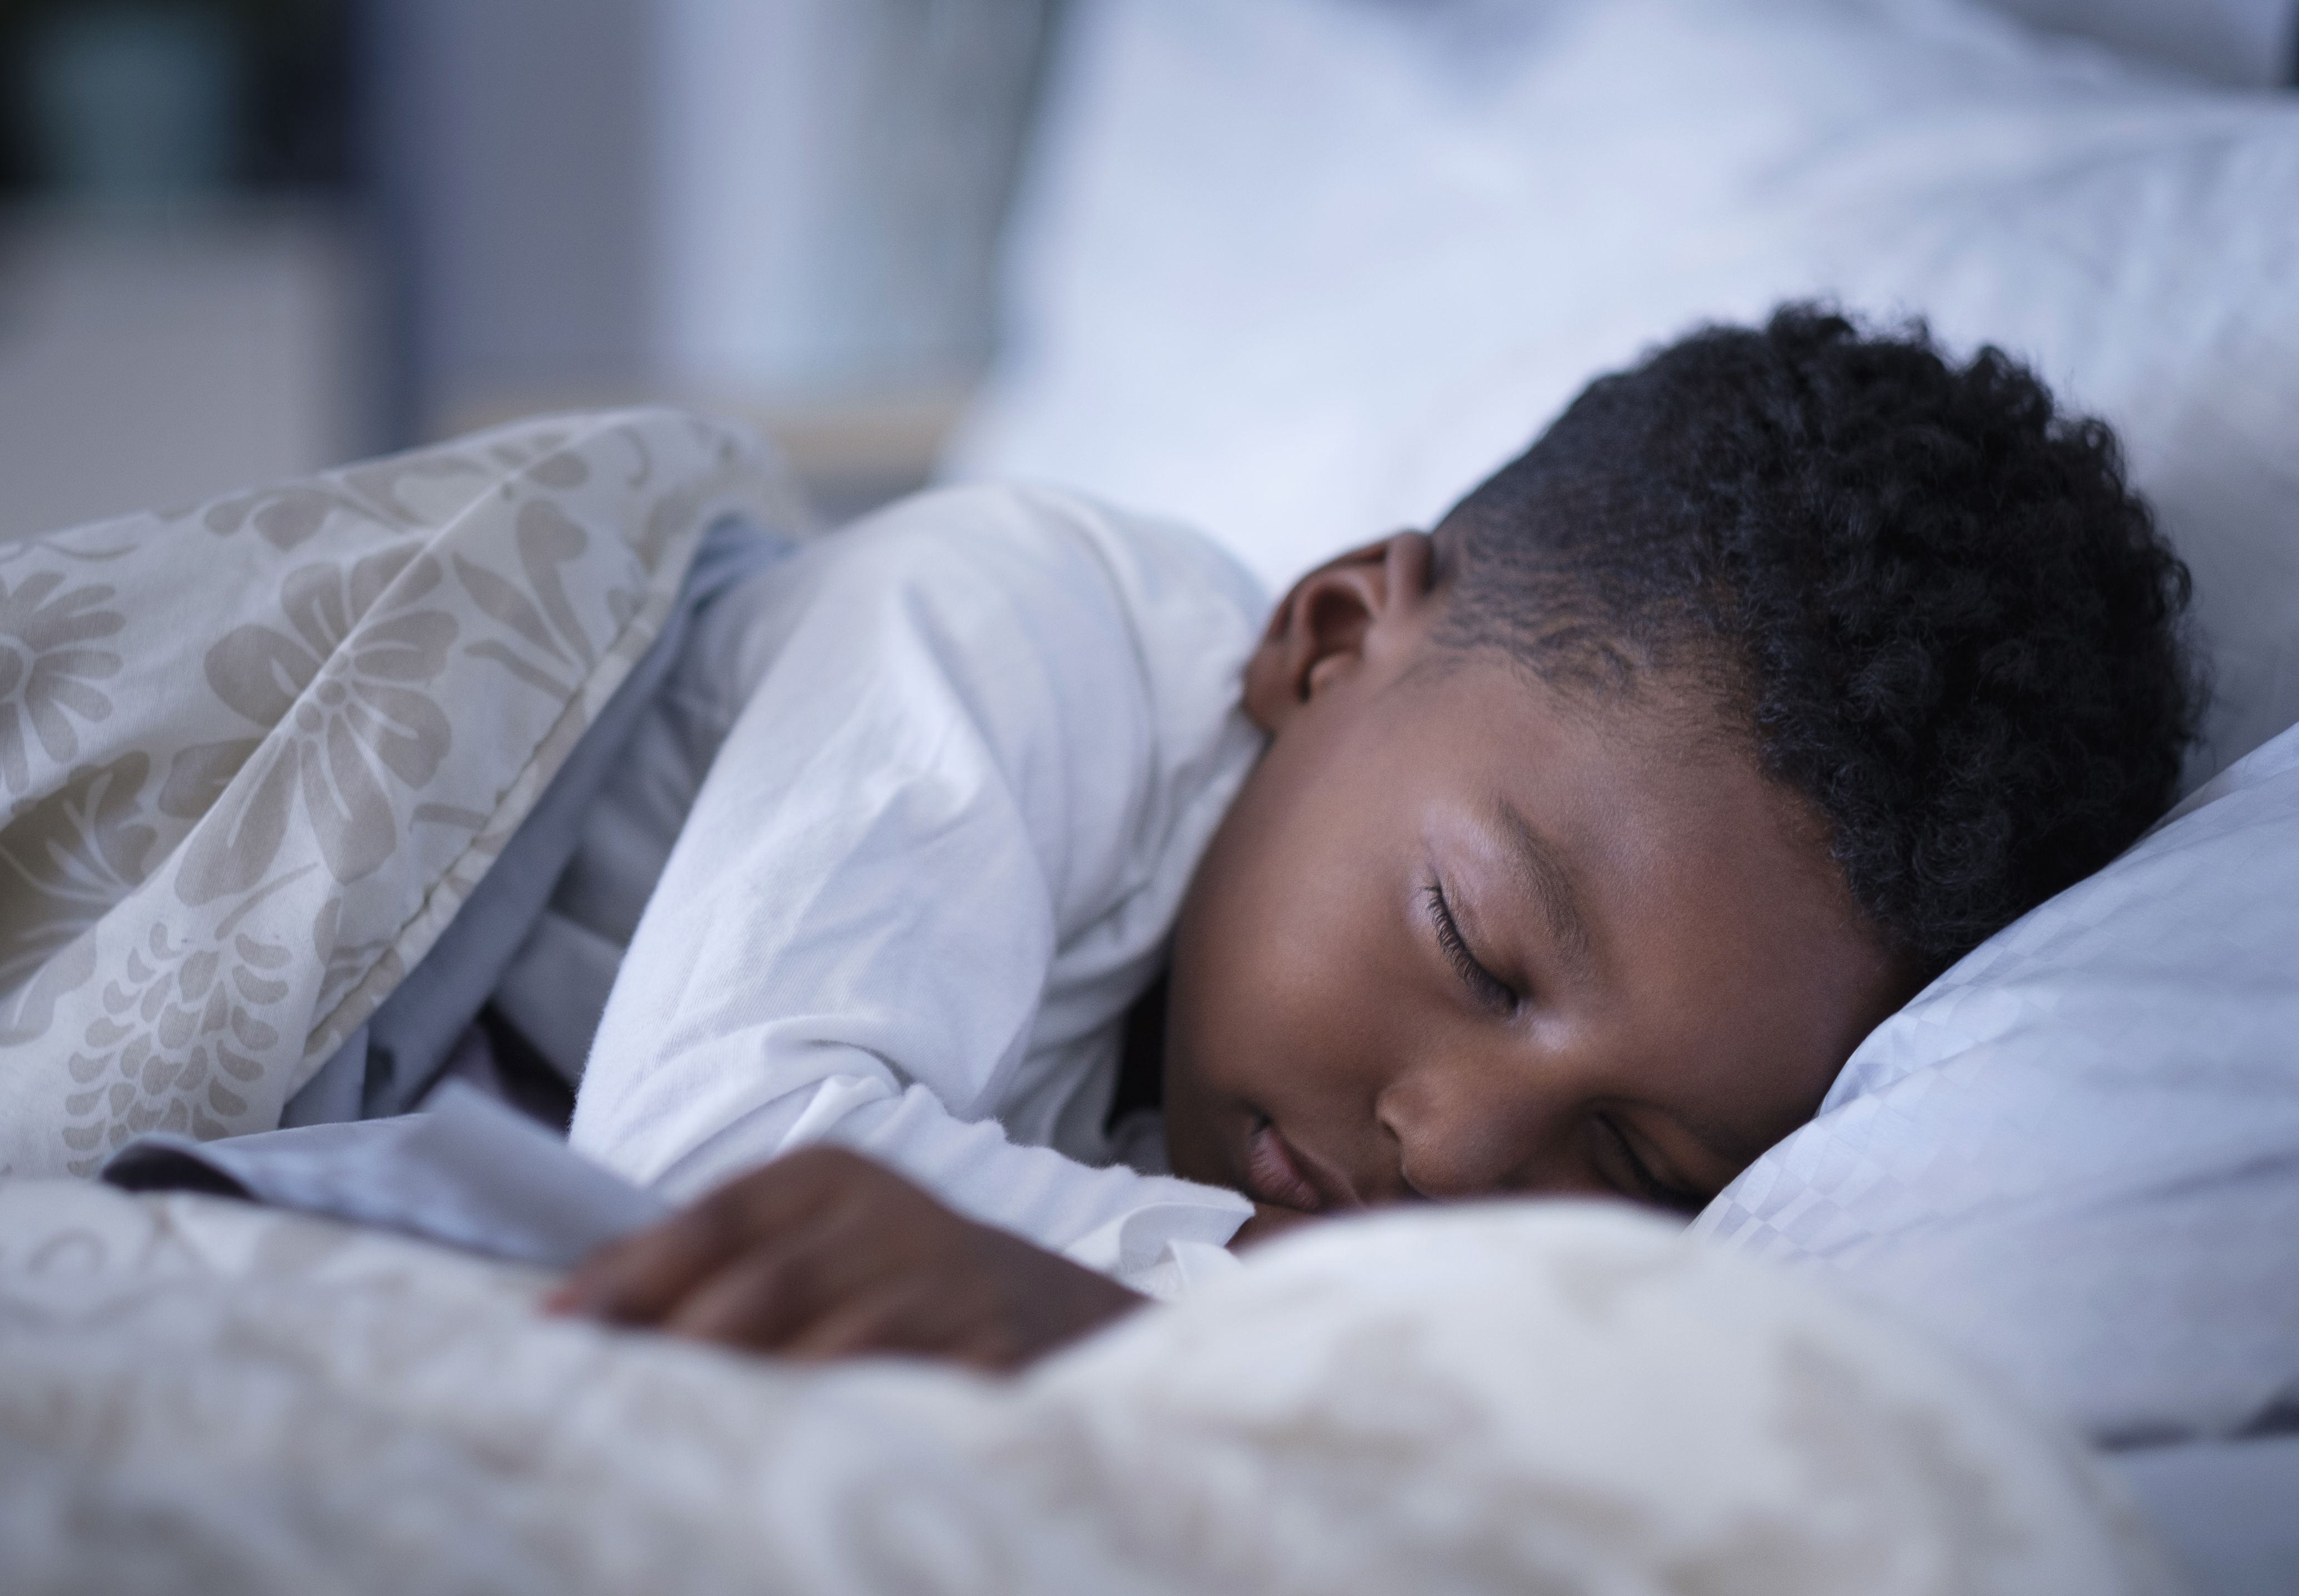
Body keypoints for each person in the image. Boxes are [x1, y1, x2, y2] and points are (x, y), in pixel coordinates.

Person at [537, 306, 2198, 1370]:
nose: (1457, 1159)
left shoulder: (1230, 1153)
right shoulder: (1014, 627)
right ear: (1328, 640)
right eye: (1474, 948)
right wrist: (1169, 1310)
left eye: (1631, 1165)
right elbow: (692, 1163)